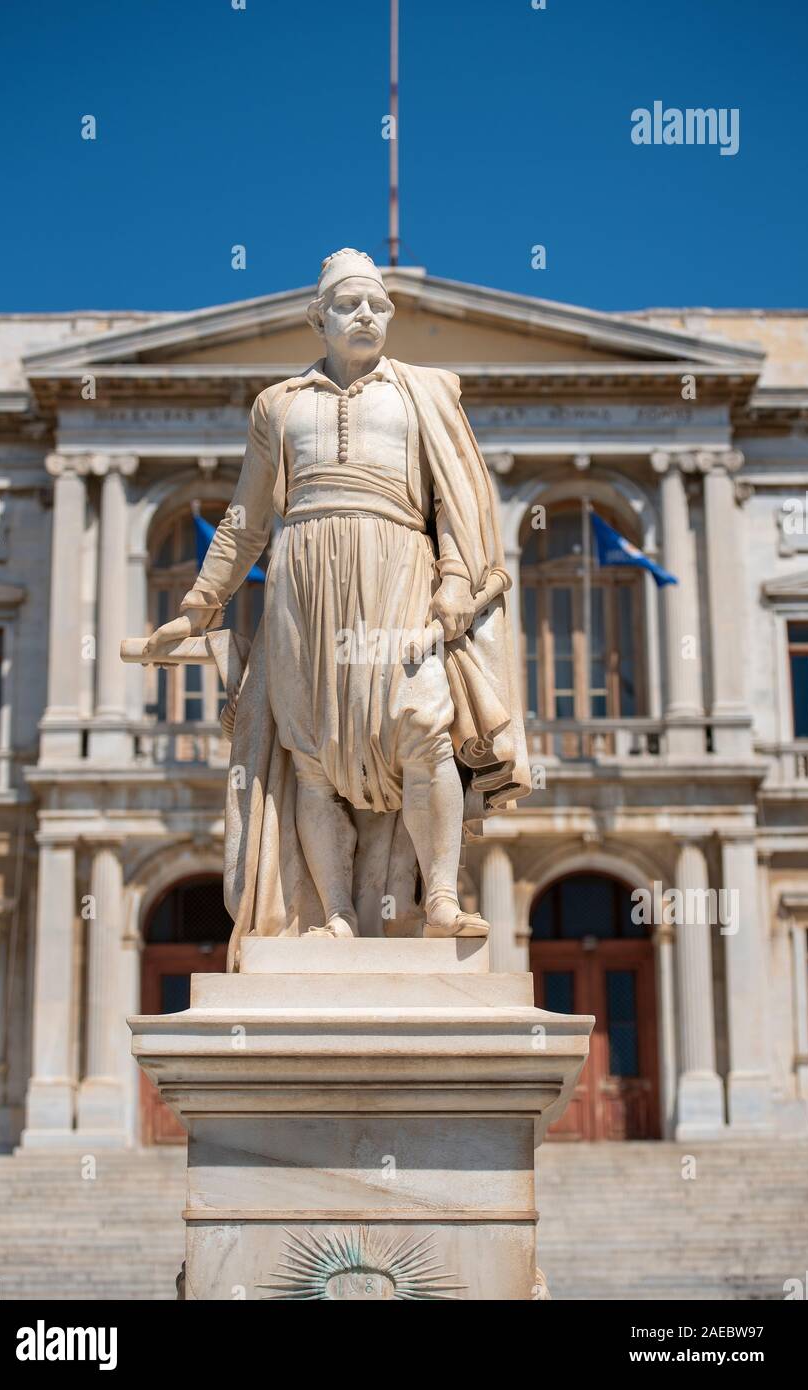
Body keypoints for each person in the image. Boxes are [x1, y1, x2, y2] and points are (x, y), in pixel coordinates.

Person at [143, 249, 529, 962]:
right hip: (303, 584)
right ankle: (337, 914)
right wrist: (199, 606)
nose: (367, 316)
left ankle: (440, 897)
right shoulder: (280, 404)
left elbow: (457, 502)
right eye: (350, 304)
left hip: (399, 571)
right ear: (316, 316)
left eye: (379, 306)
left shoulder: (425, 393)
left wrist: (452, 579)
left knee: (423, 726)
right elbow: (245, 519)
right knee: (313, 754)